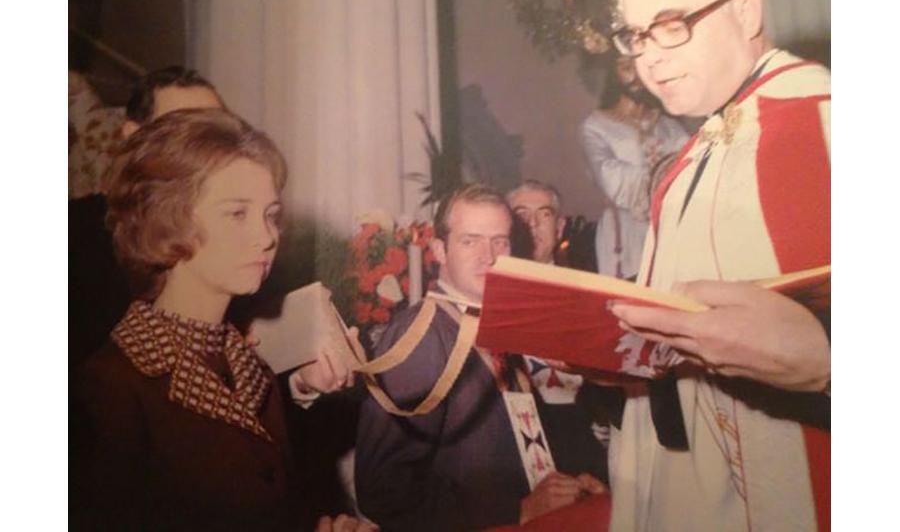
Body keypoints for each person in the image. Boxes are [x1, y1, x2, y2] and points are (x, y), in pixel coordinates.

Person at [598, 0, 830, 530]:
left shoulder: (829, 117)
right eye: (636, 34)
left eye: (672, 23)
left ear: (747, 11)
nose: (649, 56)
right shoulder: (683, 164)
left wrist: (829, 361)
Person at [76, 109, 374, 532]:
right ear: (167, 219)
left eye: (271, 214)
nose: (268, 236)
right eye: (237, 213)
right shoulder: (106, 390)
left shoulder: (247, 364)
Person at [355, 184, 605, 531]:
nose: (488, 257)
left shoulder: (492, 322)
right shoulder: (421, 336)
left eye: (499, 241)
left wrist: (569, 483)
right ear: (440, 250)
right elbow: (384, 490)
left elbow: (515, 439)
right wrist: (515, 510)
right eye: (470, 241)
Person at [69, 66, 225, 367]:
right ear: (134, 136)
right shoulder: (73, 234)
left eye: (215, 132)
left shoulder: (242, 237)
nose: (204, 148)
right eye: (181, 130)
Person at [507, 180, 611, 480]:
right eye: (521, 214)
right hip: (516, 443)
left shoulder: (589, 294)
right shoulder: (487, 294)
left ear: (560, 226)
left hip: (583, 436)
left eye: (544, 214)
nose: (532, 224)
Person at [580, 56, 689, 281]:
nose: (636, 77)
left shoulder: (669, 126)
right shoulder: (596, 126)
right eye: (626, 68)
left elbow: (692, 167)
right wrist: (666, 177)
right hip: (625, 231)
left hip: (671, 228)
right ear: (613, 73)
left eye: (641, 66)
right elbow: (610, 178)